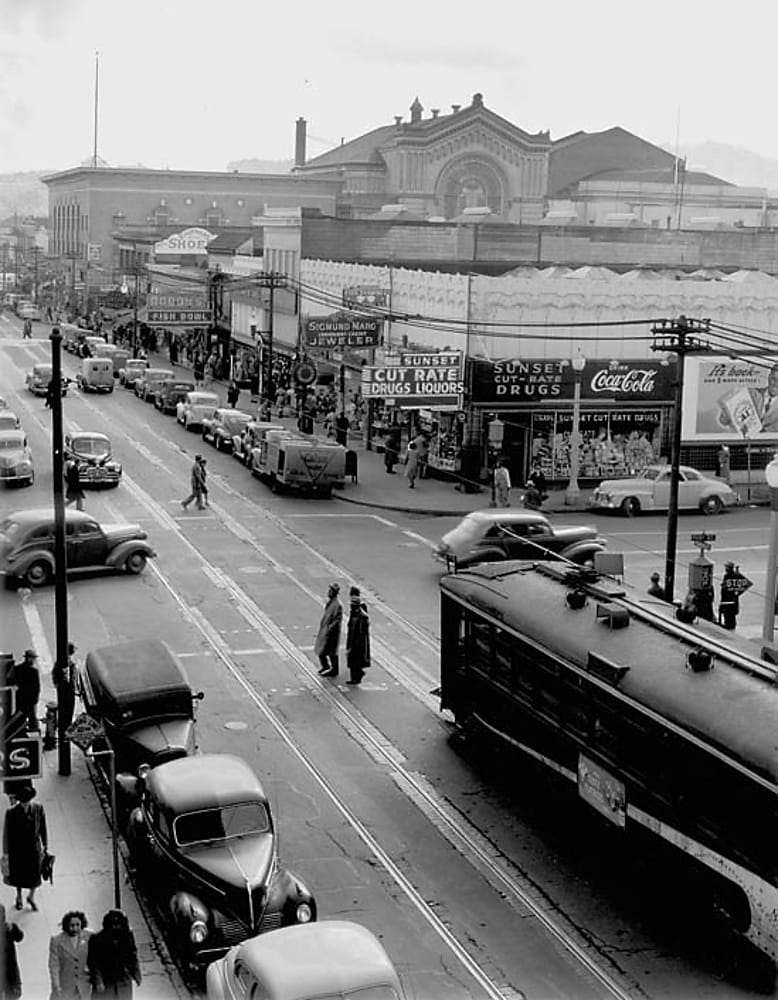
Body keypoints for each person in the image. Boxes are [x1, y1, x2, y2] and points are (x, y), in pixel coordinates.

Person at [2, 785, 48, 912]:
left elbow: (43, 827)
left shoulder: (38, 808)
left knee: (35, 874)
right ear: (19, 801)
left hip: (34, 848)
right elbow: (7, 834)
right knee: (18, 874)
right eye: (23, 802)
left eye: (28, 801)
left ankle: (31, 897)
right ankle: (19, 897)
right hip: (18, 849)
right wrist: (6, 852)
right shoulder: (11, 813)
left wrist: (45, 845)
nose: (26, 804)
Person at [87, 910, 141, 1000]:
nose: (116, 927)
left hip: (123, 982)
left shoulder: (127, 936)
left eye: (118, 924)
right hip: (106, 982)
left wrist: (136, 974)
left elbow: (132, 955)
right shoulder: (97, 939)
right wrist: (98, 981)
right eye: (113, 925)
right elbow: (93, 963)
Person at [49, 910, 92, 1000]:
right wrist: (56, 985)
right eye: (72, 925)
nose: (75, 928)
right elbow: (54, 966)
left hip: (84, 987)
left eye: (78, 925)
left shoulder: (89, 936)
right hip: (66, 986)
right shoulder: (57, 941)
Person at [8, 649, 41, 732]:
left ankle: (20, 732)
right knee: (32, 720)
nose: (34, 660)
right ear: (30, 658)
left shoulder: (17, 669)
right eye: (33, 658)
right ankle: (33, 732)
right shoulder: (34, 671)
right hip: (30, 700)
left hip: (20, 699)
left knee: (20, 719)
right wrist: (35, 700)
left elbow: (12, 682)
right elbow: (37, 687)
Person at [315, 583, 343, 678]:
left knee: (332, 652)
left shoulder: (337, 605)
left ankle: (334, 670)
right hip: (325, 630)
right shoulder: (330, 603)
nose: (328, 592)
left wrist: (329, 629)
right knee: (321, 650)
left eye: (330, 591)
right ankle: (325, 666)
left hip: (331, 633)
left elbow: (337, 620)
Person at [345, 586, 371, 686]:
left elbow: (356, 631)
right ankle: (357, 675)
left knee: (354, 660)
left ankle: (356, 677)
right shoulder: (359, 613)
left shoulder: (359, 616)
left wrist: (350, 646)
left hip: (356, 642)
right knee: (355, 660)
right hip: (358, 641)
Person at [52, 642, 78, 734]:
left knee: (65, 712)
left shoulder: (62, 661)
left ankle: (64, 729)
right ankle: (65, 730)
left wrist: (57, 684)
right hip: (68, 691)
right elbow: (69, 678)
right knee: (68, 711)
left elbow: (54, 674)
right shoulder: (68, 663)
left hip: (66, 690)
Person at [1, 904, 23, 1000]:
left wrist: (13, 928)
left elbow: (19, 937)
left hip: (10, 972)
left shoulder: (8, 929)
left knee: (12, 994)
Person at [719, 562, 741, 630]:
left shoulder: (728, 576)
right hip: (732, 601)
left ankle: (730, 627)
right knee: (731, 617)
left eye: (726, 567)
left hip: (728, 601)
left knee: (728, 618)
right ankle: (731, 626)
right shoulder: (734, 575)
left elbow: (726, 589)